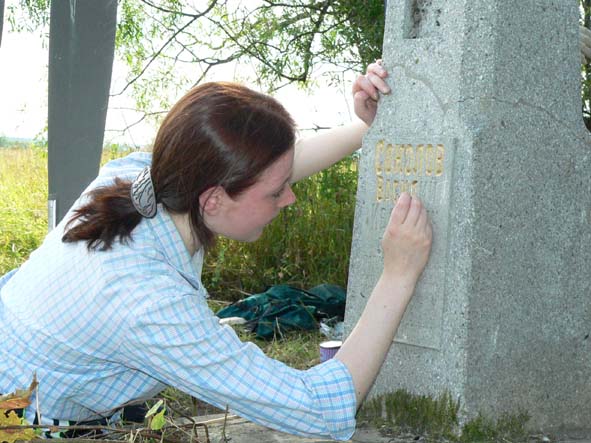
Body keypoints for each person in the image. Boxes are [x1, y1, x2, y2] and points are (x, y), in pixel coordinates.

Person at [0, 62, 432, 441]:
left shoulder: (145, 178)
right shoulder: (147, 303)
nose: (290, 199)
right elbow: (318, 407)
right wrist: (398, 275)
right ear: (213, 201)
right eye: (277, 192)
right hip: (17, 421)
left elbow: (266, 170)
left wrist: (366, 128)